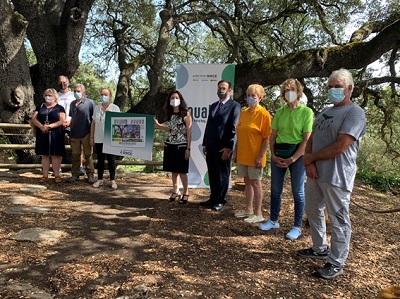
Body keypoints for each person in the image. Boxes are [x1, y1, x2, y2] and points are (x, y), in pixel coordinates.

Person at [296, 69, 366, 279]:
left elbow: (341, 146)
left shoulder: (355, 113)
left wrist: (311, 158)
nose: (333, 90)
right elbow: (311, 138)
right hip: (315, 173)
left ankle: (336, 262)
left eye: (338, 87)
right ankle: (319, 248)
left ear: (349, 89)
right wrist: (309, 161)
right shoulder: (325, 111)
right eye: (331, 86)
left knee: (338, 219)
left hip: (337, 175)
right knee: (313, 210)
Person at [259, 79, 313, 240]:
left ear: (299, 91)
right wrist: (273, 155)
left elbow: (306, 140)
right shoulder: (280, 112)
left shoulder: (306, 112)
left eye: (293, 89)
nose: (289, 92)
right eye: (287, 89)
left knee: (298, 191)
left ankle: (297, 226)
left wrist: (293, 158)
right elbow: (272, 136)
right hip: (279, 153)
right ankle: (273, 220)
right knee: (276, 190)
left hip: (297, 154)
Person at [200, 80, 241, 211]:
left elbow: (234, 128)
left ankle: (221, 200)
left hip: (223, 147)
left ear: (230, 91)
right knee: (212, 173)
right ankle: (213, 197)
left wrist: (229, 147)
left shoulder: (234, 106)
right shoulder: (213, 106)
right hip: (211, 147)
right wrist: (205, 143)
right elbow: (209, 126)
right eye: (219, 88)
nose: (221, 90)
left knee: (222, 175)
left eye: (223, 88)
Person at [233, 84, 271, 223]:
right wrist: (236, 152)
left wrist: (260, 156)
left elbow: (266, 137)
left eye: (253, 96)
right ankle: (248, 210)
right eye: (248, 95)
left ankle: (258, 213)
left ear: (260, 98)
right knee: (247, 182)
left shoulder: (264, 114)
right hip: (243, 154)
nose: (250, 98)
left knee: (256, 182)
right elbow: (239, 134)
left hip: (256, 156)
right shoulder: (243, 112)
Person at [154, 90, 192, 203]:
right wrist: (158, 125)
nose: (174, 100)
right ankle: (175, 191)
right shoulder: (170, 114)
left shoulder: (186, 113)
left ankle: (186, 192)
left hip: (181, 146)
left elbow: (189, 132)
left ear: (180, 100)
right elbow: (169, 129)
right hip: (170, 145)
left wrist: (188, 148)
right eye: (172, 98)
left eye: (176, 98)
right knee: (174, 171)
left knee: (182, 171)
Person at [31, 88, 66, 183]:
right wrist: (41, 126)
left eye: (50, 95)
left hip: (56, 134)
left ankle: (57, 175)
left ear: (55, 97)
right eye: (46, 95)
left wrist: (49, 126)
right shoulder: (40, 106)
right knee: (45, 155)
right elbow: (34, 118)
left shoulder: (60, 108)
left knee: (55, 155)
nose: (48, 97)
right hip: (42, 133)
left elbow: (62, 121)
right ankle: (45, 175)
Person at [90, 88, 121, 189]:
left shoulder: (115, 108)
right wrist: (92, 137)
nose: (103, 96)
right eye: (102, 94)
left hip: (110, 138)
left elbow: (120, 124)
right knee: (100, 159)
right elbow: (93, 123)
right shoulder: (96, 108)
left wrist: (111, 114)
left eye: (106, 94)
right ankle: (100, 179)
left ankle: (112, 180)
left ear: (110, 96)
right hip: (98, 137)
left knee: (111, 159)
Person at [66, 83, 95, 184]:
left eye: (78, 91)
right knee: (75, 156)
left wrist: (92, 135)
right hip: (74, 133)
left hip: (86, 132)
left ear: (83, 92)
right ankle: (75, 174)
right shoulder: (72, 104)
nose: (76, 93)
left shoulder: (90, 103)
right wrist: (69, 130)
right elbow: (72, 118)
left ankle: (90, 175)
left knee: (88, 155)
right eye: (74, 91)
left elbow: (93, 119)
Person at [58, 75, 85, 176]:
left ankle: (80, 166)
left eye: (64, 82)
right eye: (60, 82)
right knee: (58, 145)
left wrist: (70, 120)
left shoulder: (73, 95)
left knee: (78, 144)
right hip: (59, 123)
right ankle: (58, 167)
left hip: (72, 122)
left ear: (68, 83)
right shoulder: (56, 95)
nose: (62, 84)